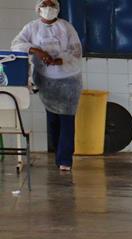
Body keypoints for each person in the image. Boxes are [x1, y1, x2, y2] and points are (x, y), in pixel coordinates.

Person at [12, 0, 82, 172]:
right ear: (38, 9)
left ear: (57, 9)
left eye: (51, 5)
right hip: (45, 80)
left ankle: (65, 159)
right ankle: (57, 154)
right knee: (53, 120)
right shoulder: (32, 27)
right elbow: (16, 44)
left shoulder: (66, 27)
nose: (48, 9)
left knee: (66, 119)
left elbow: (76, 51)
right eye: (45, 4)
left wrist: (59, 60)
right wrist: (37, 51)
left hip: (68, 80)